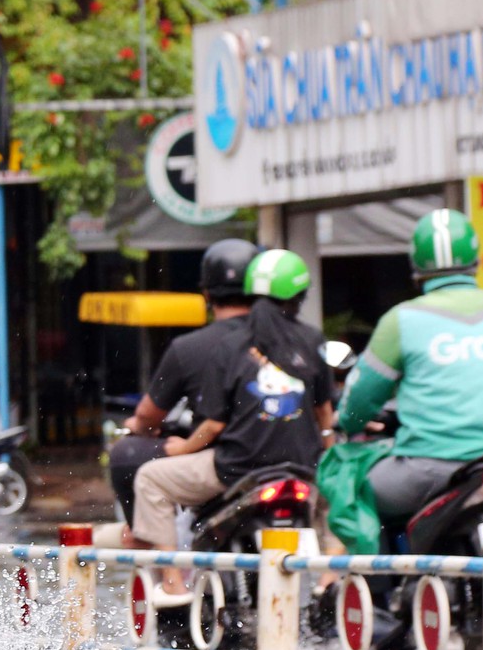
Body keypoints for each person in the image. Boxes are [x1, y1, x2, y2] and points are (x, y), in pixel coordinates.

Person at [132, 249, 334, 599]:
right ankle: (331, 581)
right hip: (303, 467)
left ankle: (173, 584)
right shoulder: (313, 340)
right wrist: (331, 455)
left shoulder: (229, 346)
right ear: (302, 295)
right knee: (337, 501)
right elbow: (324, 413)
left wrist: (182, 447)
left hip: (238, 469)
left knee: (150, 478)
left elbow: (213, 426)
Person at [336, 208, 483, 525]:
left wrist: (350, 424)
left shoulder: (401, 320)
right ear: (476, 258)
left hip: (429, 469)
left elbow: (361, 399)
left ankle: (382, 575)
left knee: (358, 488)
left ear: (416, 266)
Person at [111, 238, 259, 525]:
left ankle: (151, 548)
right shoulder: (288, 340)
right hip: (293, 455)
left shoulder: (196, 348)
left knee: (126, 456)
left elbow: (207, 423)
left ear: (206, 293)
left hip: (228, 461)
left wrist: (168, 439)